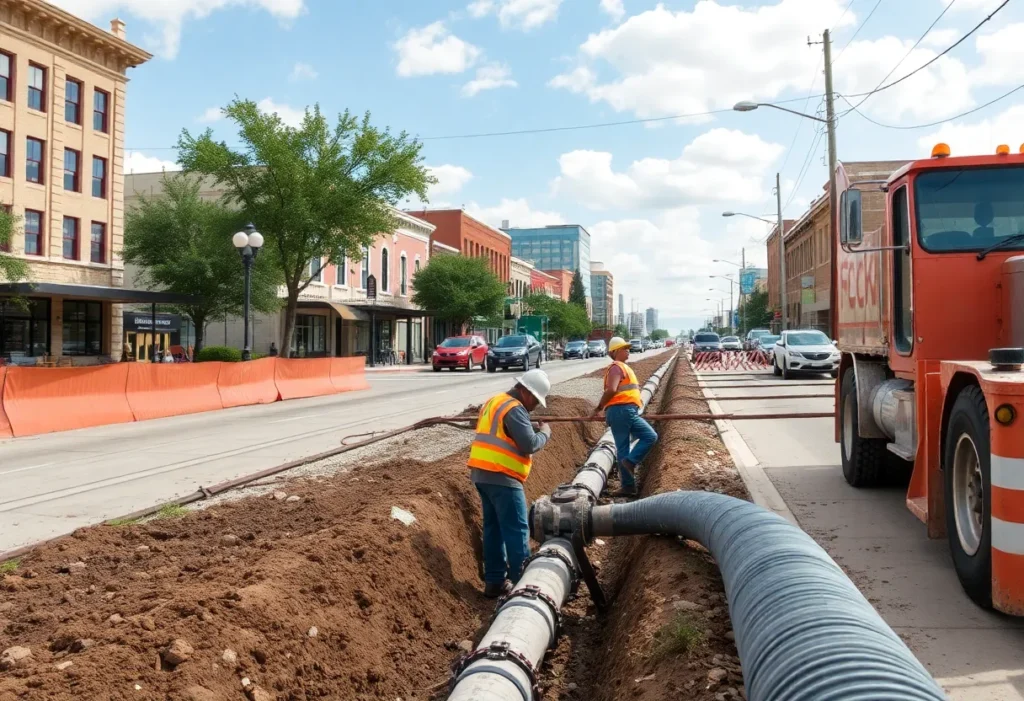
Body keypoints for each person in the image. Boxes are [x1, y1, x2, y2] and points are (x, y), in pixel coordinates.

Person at [467, 369, 552, 597]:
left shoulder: (496, 401)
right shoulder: (515, 409)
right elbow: (530, 444)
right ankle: (521, 585)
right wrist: (545, 432)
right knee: (517, 531)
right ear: (525, 391)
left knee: (493, 529)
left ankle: (494, 582)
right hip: (502, 475)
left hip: (482, 474)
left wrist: (528, 427)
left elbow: (503, 433)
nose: (534, 406)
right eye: (535, 400)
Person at [596, 337, 658, 498]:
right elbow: (611, 390)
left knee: (647, 437)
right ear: (615, 352)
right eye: (624, 348)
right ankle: (628, 482)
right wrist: (599, 407)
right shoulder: (616, 367)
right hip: (621, 411)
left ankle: (629, 473)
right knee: (644, 439)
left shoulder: (622, 367)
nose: (628, 350)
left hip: (624, 411)